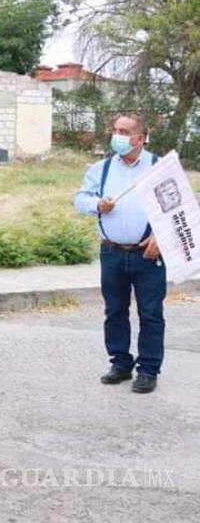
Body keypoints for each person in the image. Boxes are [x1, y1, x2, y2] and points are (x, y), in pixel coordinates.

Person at [73, 113, 164, 394]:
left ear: (140, 138)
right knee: (114, 311)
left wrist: (160, 236)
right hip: (112, 252)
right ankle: (120, 362)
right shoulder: (100, 169)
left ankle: (148, 370)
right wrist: (97, 205)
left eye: (124, 131)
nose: (118, 136)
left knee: (150, 313)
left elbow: (176, 210)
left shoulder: (157, 168)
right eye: (115, 130)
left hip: (147, 255)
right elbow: (80, 199)